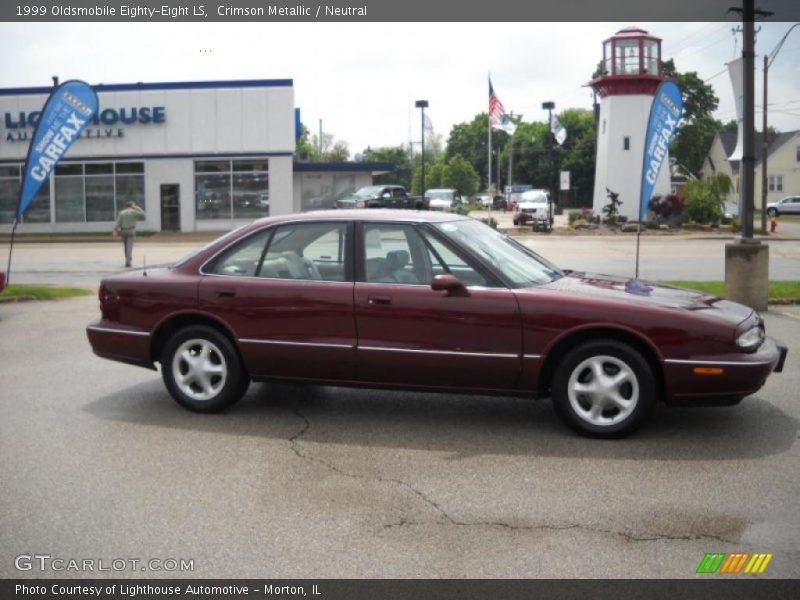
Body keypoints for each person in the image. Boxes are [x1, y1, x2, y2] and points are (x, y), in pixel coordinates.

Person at [113, 201, 146, 267]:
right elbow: (143, 215)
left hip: (123, 231)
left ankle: (127, 259)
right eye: (134, 205)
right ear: (131, 206)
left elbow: (118, 223)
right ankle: (128, 261)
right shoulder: (134, 212)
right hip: (131, 230)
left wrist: (115, 230)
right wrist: (137, 208)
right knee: (129, 246)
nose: (135, 206)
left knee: (125, 246)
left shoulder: (122, 213)